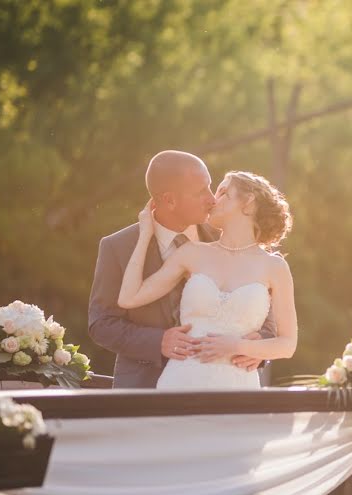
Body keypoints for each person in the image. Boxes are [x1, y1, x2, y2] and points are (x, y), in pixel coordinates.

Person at [66, 169, 327, 495]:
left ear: (247, 203)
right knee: (166, 482)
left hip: (237, 391)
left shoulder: (274, 266)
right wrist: (146, 234)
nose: (213, 197)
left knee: (234, 490)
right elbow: (129, 299)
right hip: (180, 384)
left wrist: (246, 344)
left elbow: (288, 342)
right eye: (211, 190)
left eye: (223, 191)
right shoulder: (195, 254)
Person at [88, 151, 274, 388]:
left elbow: (267, 320)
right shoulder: (118, 247)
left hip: (224, 385)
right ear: (170, 200)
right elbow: (101, 323)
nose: (212, 199)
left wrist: (258, 347)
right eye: (200, 192)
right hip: (142, 389)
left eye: (210, 187)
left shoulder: (231, 239)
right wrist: (158, 342)